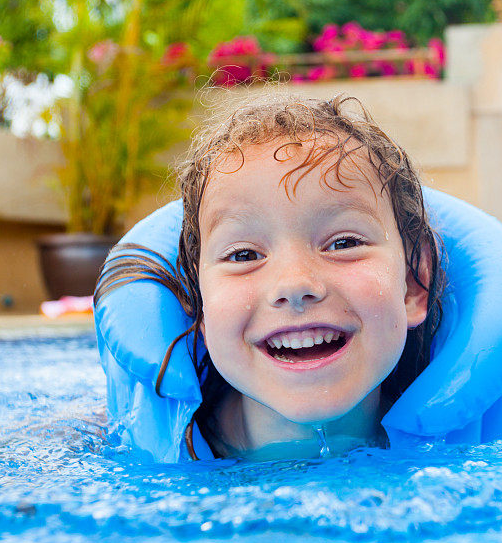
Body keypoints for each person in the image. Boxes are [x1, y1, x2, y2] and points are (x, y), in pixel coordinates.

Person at [95, 91, 446, 460]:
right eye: (243, 255)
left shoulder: (467, 445)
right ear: (199, 303)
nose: (295, 284)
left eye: (343, 243)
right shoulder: (108, 444)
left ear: (411, 283)